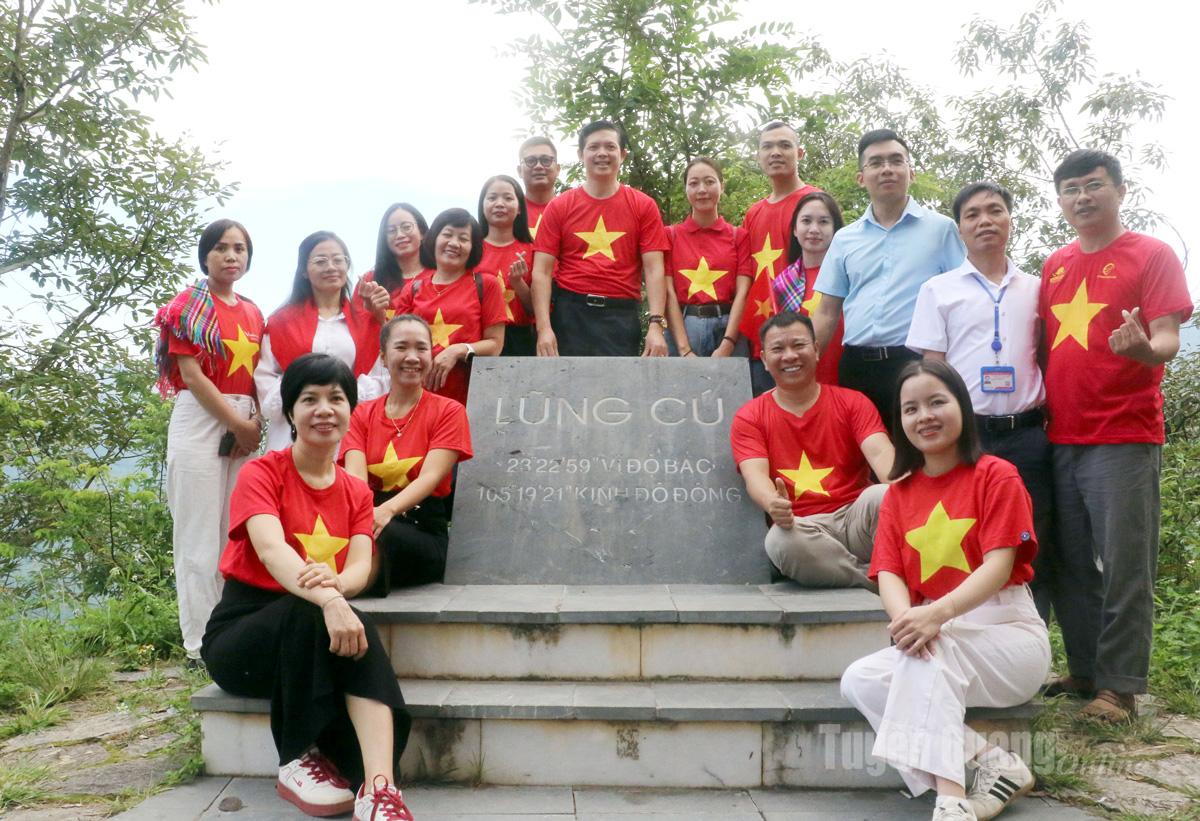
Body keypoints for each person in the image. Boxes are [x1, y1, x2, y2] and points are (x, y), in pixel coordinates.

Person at [203, 354, 412, 820]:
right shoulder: (262, 473)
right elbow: (271, 550)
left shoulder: (357, 491)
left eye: (336, 399)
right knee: (310, 611)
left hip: (312, 630)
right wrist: (329, 598)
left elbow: (360, 567)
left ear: (351, 409)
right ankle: (296, 757)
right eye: (309, 399)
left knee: (353, 629)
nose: (324, 410)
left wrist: (336, 591)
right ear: (290, 412)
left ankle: (380, 788)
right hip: (244, 638)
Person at [841, 359, 1049, 821]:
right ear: (900, 421)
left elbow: (1000, 565)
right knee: (861, 679)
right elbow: (889, 573)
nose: (925, 416)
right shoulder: (898, 494)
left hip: (1008, 636)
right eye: (911, 408)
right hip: (940, 629)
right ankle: (992, 762)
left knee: (934, 648)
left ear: (962, 406)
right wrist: (908, 623)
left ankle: (950, 799)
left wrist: (935, 616)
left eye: (937, 402)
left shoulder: (997, 475)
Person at [1037, 149, 1193, 722]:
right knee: (1069, 562)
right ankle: (1085, 670)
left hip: (1124, 434)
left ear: (1120, 191)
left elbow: (1168, 337)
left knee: (1125, 565)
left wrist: (1146, 350)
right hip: (1060, 436)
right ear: (1060, 201)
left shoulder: (1151, 254)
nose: (1082, 197)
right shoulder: (1054, 265)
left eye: (1093, 185)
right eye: (1070, 189)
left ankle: (1120, 687)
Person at [907, 181, 1055, 622]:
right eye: (972, 214)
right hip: (968, 438)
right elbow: (931, 374)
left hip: (1028, 435)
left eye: (995, 211)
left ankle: (1029, 641)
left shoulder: (1038, 288)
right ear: (959, 228)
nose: (985, 221)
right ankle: (963, 635)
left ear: (1010, 219)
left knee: (1032, 546)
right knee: (965, 543)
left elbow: (1048, 355)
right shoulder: (937, 290)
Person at [154, 218, 264, 667]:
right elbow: (192, 375)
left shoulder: (254, 312)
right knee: (197, 537)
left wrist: (252, 423)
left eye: (240, 248)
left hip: (244, 419)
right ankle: (200, 644)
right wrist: (237, 424)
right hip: (201, 418)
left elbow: (260, 374)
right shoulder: (187, 307)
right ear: (205, 256)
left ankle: (230, 632)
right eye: (221, 247)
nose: (231, 256)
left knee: (234, 532)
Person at [812, 129, 965, 425]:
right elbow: (827, 312)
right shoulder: (845, 239)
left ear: (911, 172)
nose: (887, 169)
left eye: (896, 161)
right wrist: (807, 361)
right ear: (861, 177)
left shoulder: (942, 230)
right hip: (857, 366)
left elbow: (962, 300)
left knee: (919, 448)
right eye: (876, 162)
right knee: (860, 449)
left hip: (916, 364)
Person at [730, 312, 894, 589]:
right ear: (765, 360)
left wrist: (908, 492)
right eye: (778, 349)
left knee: (885, 495)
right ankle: (876, 582)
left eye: (799, 345)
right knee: (780, 541)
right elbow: (754, 476)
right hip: (801, 527)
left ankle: (854, 574)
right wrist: (772, 503)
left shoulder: (853, 402)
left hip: (856, 519)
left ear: (816, 350)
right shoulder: (750, 417)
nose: (790, 356)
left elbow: (881, 454)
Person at [343, 315, 473, 591]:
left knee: (378, 536)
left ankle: (338, 591)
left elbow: (430, 478)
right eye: (401, 347)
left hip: (421, 529)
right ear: (383, 357)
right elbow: (355, 479)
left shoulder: (449, 412)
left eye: (421, 348)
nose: (412, 357)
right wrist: (367, 516)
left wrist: (386, 512)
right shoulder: (361, 414)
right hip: (368, 516)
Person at [530, 119, 670, 357]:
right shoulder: (560, 206)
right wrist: (544, 329)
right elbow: (541, 271)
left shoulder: (643, 206)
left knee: (618, 382)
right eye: (593, 147)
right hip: (570, 314)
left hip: (621, 316)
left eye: (610, 147)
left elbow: (654, 269)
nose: (602, 153)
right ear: (581, 154)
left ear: (622, 155)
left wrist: (656, 326)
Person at [256, 231, 389, 452]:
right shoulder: (281, 322)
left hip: (348, 430)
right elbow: (265, 377)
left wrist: (343, 398)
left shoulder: (367, 322)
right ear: (304, 271)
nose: (331, 267)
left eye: (338, 260)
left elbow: (381, 377)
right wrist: (304, 399)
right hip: (292, 431)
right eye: (320, 261)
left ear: (347, 266)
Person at [737, 121, 821, 395]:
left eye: (784, 145)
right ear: (758, 156)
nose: (775, 152)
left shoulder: (815, 202)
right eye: (767, 147)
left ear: (800, 153)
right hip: (763, 337)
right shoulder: (753, 213)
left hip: (806, 336)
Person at [391, 208, 506, 406]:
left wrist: (458, 350)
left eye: (463, 238)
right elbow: (395, 343)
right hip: (416, 398)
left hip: (468, 399)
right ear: (434, 238)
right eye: (447, 234)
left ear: (473, 247)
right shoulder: (413, 289)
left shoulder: (486, 285)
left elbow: (495, 345)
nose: (454, 243)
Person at [662, 157, 753, 358]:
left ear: (722, 186)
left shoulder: (739, 236)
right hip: (683, 329)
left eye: (710, 182)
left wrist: (728, 343)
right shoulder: (670, 235)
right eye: (693, 183)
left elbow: (743, 292)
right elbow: (667, 291)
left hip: (729, 330)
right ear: (686, 189)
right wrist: (685, 350)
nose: (702, 189)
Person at [771, 191, 846, 384]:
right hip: (799, 383)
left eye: (823, 222)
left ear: (836, 229)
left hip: (847, 379)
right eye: (806, 221)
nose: (814, 229)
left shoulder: (849, 275)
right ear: (795, 229)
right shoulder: (782, 283)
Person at [476, 175, 536, 356]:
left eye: (508, 198)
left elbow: (536, 309)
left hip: (521, 340)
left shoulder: (533, 250)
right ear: (482, 205)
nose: (499, 204)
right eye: (492, 198)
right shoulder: (471, 250)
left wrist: (518, 283)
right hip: (479, 338)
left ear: (520, 208)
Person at [355, 203, 430, 310]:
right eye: (391, 230)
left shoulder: (439, 277)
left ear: (422, 232)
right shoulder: (370, 281)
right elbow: (358, 319)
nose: (400, 235)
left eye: (406, 227)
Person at [517, 136, 560, 240]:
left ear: (558, 169)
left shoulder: (572, 211)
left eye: (546, 160)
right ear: (519, 171)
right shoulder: (510, 213)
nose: (538, 166)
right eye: (530, 161)